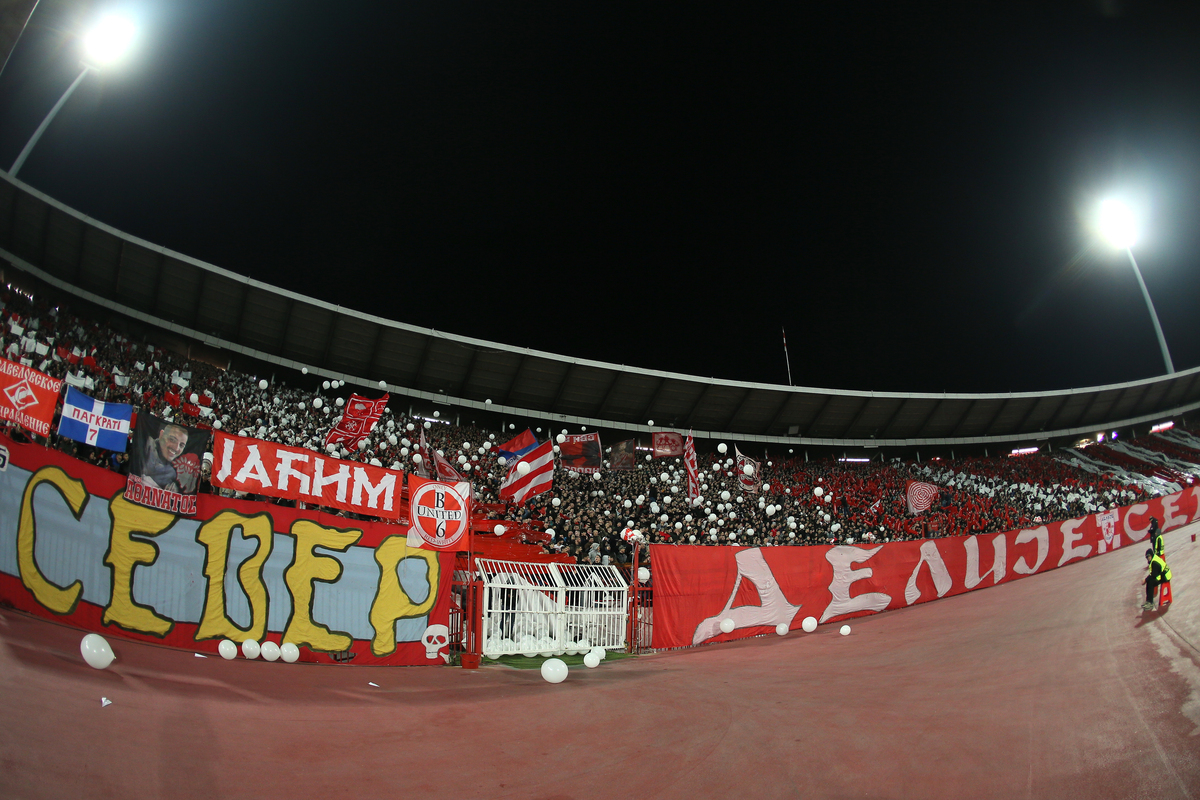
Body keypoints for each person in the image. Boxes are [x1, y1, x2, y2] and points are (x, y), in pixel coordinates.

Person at [139, 423, 198, 493]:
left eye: (181, 445)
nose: (176, 448)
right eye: (172, 440)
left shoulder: (171, 473)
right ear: (161, 435)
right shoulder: (146, 446)